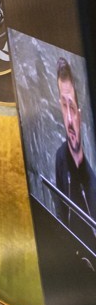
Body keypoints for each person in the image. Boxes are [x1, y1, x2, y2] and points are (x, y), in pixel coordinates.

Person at [53, 56, 96, 239]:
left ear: (80, 113)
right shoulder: (60, 157)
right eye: (64, 105)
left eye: (72, 107)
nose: (69, 120)